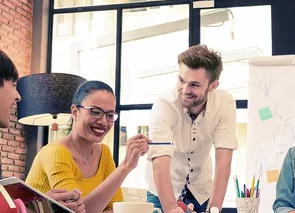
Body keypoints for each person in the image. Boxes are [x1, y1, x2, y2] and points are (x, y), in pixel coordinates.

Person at [26, 80, 151, 212]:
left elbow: (114, 209)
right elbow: (74, 211)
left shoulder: (104, 153)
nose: (103, 122)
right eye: (95, 112)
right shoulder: (55, 152)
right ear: (75, 112)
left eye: (109, 115)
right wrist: (126, 166)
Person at [146, 45, 238, 213]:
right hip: (164, 191)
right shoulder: (164, 104)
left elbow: (224, 162)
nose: (185, 90)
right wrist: (171, 210)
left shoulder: (225, 103)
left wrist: (214, 210)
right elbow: (159, 162)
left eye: (194, 85)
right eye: (181, 80)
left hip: (201, 191)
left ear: (213, 85)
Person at [0, 50, 86, 212]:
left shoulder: (105, 153)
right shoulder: (55, 151)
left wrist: (42, 204)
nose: (18, 96)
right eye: (13, 85)